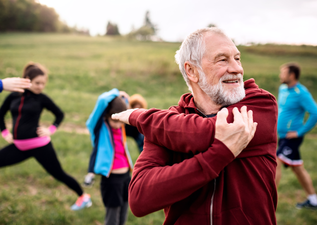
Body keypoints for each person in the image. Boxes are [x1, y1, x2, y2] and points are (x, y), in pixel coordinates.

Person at [112, 27, 278, 225]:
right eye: (223, 59)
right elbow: (139, 198)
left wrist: (140, 117)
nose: (237, 68)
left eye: (237, 58)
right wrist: (218, 155)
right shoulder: (167, 124)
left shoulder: (260, 103)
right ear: (192, 71)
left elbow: (206, 132)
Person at [0, 62, 92, 211]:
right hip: (19, 147)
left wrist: (51, 129)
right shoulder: (13, 96)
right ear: (27, 79)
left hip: (40, 146)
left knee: (59, 174)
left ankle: (83, 197)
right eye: (37, 83)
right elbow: (1, 114)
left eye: (43, 83)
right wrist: (5, 132)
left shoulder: (42, 98)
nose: (41, 87)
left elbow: (59, 114)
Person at [85, 89, 133, 225]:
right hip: (111, 179)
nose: (119, 125)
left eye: (120, 121)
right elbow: (102, 100)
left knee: (123, 214)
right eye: (115, 121)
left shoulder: (120, 127)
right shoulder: (99, 128)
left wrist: (124, 99)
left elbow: (124, 108)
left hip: (125, 177)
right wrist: (117, 93)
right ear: (106, 115)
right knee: (112, 217)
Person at [275, 62, 317, 210]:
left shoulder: (302, 93)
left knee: (276, 162)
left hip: (292, 138)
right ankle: (313, 200)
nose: (280, 75)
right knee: (298, 168)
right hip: (282, 136)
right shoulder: (283, 89)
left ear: (291, 75)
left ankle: (268, 201)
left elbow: (316, 113)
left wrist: (299, 132)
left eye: (283, 73)